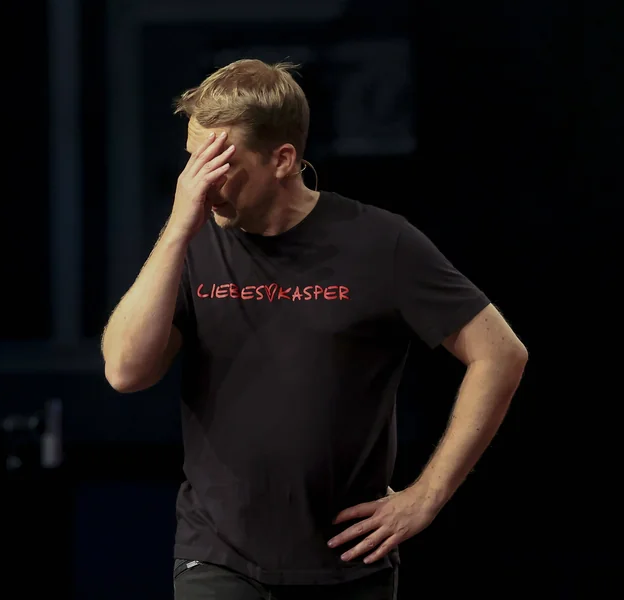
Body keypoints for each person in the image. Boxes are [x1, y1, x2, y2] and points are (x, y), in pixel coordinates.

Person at [100, 59, 528, 600]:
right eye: (193, 160)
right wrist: (177, 230)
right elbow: (126, 371)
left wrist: (428, 495)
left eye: (220, 162)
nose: (200, 183)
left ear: (282, 159)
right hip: (218, 556)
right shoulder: (191, 242)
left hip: (348, 563)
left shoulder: (379, 242)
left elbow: (500, 354)